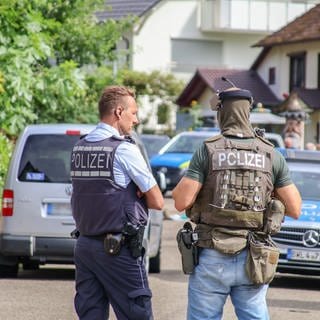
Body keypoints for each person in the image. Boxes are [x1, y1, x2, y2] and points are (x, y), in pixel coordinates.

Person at [172, 84, 301, 320]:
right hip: (254, 257)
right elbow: (295, 208)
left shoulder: (208, 150)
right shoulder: (271, 154)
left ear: (221, 112)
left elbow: (181, 202)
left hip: (211, 254)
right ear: (248, 111)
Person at [70, 85, 164, 320]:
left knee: (90, 314)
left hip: (84, 247)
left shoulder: (80, 147)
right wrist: (137, 192)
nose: (137, 119)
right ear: (119, 112)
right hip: (117, 250)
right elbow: (158, 201)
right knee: (137, 313)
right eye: (133, 113)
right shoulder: (123, 149)